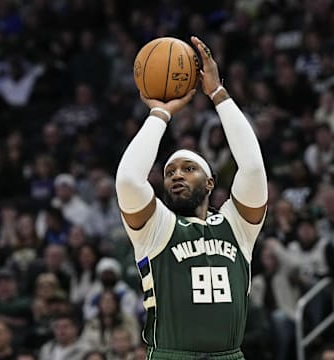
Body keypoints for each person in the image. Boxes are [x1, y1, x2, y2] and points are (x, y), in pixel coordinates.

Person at [115, 36, 268, 359]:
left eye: (188, 169)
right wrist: (160, 114)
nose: (177, 175)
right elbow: (129, 179)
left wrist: (218, 93)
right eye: (170, 172)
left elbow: (253, 168)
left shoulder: (236, 225)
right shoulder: (155, 226)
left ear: (210, 183)